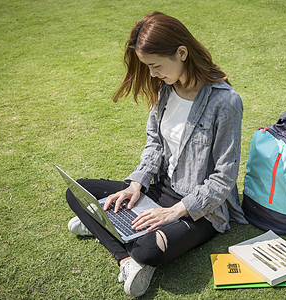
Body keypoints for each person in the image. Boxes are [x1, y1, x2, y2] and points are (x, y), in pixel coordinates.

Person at [65, 11, 248, 297]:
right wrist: (137, 184)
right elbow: (155, 144)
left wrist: (174, 212)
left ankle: (110, 227)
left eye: (155, 65)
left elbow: (223, 178)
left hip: (199, 210)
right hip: (158, 190)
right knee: (76, 190)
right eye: (147, 67)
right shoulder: (165, 89)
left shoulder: (225, 101)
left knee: (149, 251)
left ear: (182, 52)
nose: (152, 74)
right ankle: (126, 258)